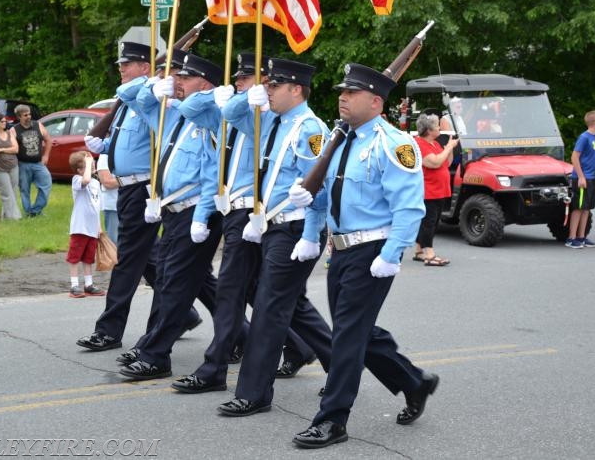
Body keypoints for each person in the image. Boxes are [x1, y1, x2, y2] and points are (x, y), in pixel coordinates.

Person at [287, 63, 438, 449]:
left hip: (373, 250)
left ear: (375, 100)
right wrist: (308, 228)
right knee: (356, 331)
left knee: (348, 338)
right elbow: (323, 197)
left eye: (351, 93)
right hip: (340, 250)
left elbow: (409, 208)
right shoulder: (339, 140)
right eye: (342, 91)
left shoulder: (394, 143)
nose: (342, 97)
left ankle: (333, 419)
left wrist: (391, 255)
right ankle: (412, 381)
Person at [169, 52, 320, 393]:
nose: (238, 81)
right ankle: (310, 350)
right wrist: (234, 97)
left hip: (255, 213)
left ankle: (214, 368)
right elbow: (194, 110)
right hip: (237, 212)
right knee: (263, 296)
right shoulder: (245, 111)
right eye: (237, 77)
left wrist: (250, 99)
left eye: (246, 78)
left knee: (232, 292)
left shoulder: (272, 120)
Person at [217, 58, 333, 416]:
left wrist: (311, 235)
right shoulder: (272, 120)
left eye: (273, 86)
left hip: (296, 227)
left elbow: (319, 189)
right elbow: (231, 117)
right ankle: (342, 363)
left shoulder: (310, 129)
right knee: (289, 305)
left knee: (268, 307)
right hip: (271, 225)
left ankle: (254, 393)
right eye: (265, 85)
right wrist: (244, 97)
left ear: (295, 89)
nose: (267, 91)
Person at [77, 42, 202, 353]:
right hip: (127, 188)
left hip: (145, 188)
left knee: (130, 261)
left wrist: (150, 83)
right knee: (158, 262)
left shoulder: (151, 98)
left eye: (128, 64)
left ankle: (110, 330)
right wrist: (103, 146)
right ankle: (184, 315)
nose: (121, 68)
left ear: (146, 68)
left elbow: (152, 125)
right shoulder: (131, 101)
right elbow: (126, 143)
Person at [118, 53, 225, 380]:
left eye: (185, 78)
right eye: (174, 77)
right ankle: (244, 338)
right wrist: (150, 85)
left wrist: (201, 216)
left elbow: (213, 173)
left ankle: (155, 353)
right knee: (170, 280)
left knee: (176, 284)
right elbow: (129, 96)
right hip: (172, 212)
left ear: (204, 83)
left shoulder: (212, 119)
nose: (177, 82)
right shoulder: (173, 116)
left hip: (195, 212)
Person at [412, 114, 458, 265]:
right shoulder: (419, 144)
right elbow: (435, 163)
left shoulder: (435, 144)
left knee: (432, 221)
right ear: (429, 129)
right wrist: (449, 148)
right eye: (437, 125)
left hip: (439, 190)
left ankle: (419, 251)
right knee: (429, 222)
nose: (439, 128)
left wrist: (449, 148)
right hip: (428, 191)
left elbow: (447, 162)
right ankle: (429, 254)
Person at [66, 151, 106, 298]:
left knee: (89, 257)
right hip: (80, 227)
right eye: (88, 165)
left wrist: (99, 226)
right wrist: (88, 163)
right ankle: (74, 285)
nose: (92, 165)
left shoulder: (96, 183)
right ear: (79, 170)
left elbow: (97, 208)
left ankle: (88, 284)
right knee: (75, 256)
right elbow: (86, 180)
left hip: (92, 228)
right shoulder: (77, 180)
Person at [566, 110, 595, 248]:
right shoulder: (584, 137)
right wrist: (581, 176)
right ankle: (571, 238)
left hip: (591, 178)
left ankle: (582, 237)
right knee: (578, 208)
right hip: (581, 178)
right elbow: (574, 157)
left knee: (586, 208)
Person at [11, 104, 52, 217]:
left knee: (46, 184)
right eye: (25, 115)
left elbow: (48, 140)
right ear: (19, 117)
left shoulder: (38, 125)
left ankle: (35, 210)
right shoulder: (14, 130)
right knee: (25, 190)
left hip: (39, 164)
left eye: (29, 114)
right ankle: (29, 212)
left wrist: (46, 156)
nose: (29, 116)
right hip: (23, 165)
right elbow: (12, 148)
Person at [0, 113, 22, 220]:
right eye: (2, 121)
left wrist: (0, 149)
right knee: (6, 193)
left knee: (13, 191)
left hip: (13, 165)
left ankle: (6, 215)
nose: (4, 123)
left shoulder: (9, 132)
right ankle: (14, 217)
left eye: (5, 121)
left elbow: (16, 149)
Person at [95, 155, 119, 242]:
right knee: (114, 241)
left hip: (132, 203)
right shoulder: (105, 156)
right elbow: (107, 182)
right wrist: (131, 179)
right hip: (113, 205)